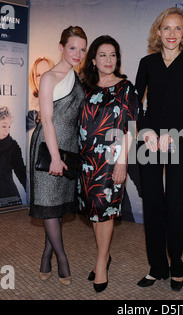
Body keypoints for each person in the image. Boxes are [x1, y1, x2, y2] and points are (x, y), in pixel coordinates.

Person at [135, 7, 183, 291]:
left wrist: (178, 133)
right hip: (148, 140)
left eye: (178, 28)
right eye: (167, 28)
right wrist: (147, 131)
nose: (172, 34)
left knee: (175, 206)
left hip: (180, 140)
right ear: (158, 31)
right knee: (152, 204)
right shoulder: (147, 62)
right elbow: (135, 103)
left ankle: (176, 264)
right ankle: (156, 267)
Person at [78, 35, 138, 293]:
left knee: (106, 210)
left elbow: (131, 128)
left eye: (112, 55)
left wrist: (122, 162)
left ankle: (101, 261)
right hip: (86, 159)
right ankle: (105, 254)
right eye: (102, 55)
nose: (108, 60)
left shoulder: (126, 88)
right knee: (95, 211)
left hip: (112, 160)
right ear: (93, 59)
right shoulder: (83, 87)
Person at [29, 26, 87, 286]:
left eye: (83, 49)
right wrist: (54, 157)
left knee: (57, 205)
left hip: (70, 147)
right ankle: (62, 260)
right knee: (49, 204)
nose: (78, 53)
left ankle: (45, 254)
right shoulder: (49, 78)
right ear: (61, 47)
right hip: (48, 147)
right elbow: (48, 121)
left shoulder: (79, 78)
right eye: (73, 47)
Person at [0, 106, 26, 206]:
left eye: (9, 126)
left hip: (9, 196)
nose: (7, 130)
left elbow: (21, 172)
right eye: (4, 126)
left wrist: (31, 194)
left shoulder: (13, 146)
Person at [27, 57, 55, 131]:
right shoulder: (28, 107)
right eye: (38, 75)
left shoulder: (64, 103)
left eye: (46, 73)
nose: (42, 78)